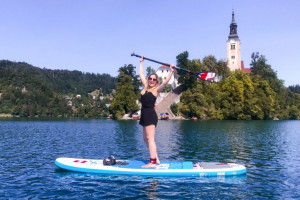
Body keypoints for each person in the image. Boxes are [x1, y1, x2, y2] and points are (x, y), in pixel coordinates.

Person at [139, 56, 174, 168]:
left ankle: (152, 162)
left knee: (151, 139)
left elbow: (165, 82)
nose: (152, 81)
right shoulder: (145, 87)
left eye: (154, 79)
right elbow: (141, 74)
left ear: (156, 81)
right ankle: (156, 157)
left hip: (150, 115)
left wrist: (171, 71)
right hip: (144, 115)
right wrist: (141, 62)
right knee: (145, 139)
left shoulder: (156, 90)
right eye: (150, 79)